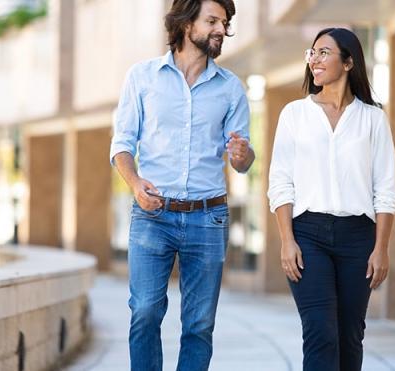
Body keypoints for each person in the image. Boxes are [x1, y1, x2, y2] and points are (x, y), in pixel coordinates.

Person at [109, 1, 254, 370]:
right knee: (144, 311)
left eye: (224, 22)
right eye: (212, 21)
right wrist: (135, 183)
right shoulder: (142, 77)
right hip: (152, 216)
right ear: (185, 22)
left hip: (209, 217)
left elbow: (242, 162)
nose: (221, 29)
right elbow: (122, 145)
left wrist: (241, 154)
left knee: (199, 325)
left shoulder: (231, 88)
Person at [267, 27, 395, 371]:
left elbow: (385, 190)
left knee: (350, 334)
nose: (315, 59)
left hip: (358, 238)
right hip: (308, 235)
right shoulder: (294, 114)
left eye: (324, 52)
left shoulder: (373, 119)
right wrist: (287, 241)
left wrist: (381, 248)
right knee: (320, 331)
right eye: (312, 53)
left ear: (349, 61)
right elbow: (280, 182)